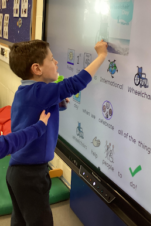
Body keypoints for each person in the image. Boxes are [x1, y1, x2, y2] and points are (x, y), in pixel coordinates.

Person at [6, 39, 107, 226]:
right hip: (31, 176)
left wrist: (58, 104)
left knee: (20, 220)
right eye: (52, 59)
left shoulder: (26, 90)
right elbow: (74, 84)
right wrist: (101, 56)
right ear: (37, 69)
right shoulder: (40, 92)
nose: (56, 62)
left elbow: (33, 113)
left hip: (17, 172)